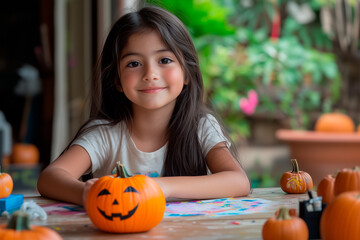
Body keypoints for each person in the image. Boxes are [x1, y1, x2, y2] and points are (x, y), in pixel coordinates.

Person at [37, 6, 251, 206]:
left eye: (165, 60)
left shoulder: (201, 127)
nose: (150, 74)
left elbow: (238, 181)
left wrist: (159, 187)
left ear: (186, 73)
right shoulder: (105, 135)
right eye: (134, 64)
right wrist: (86, 193)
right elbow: (50, 178)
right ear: (118, 81)